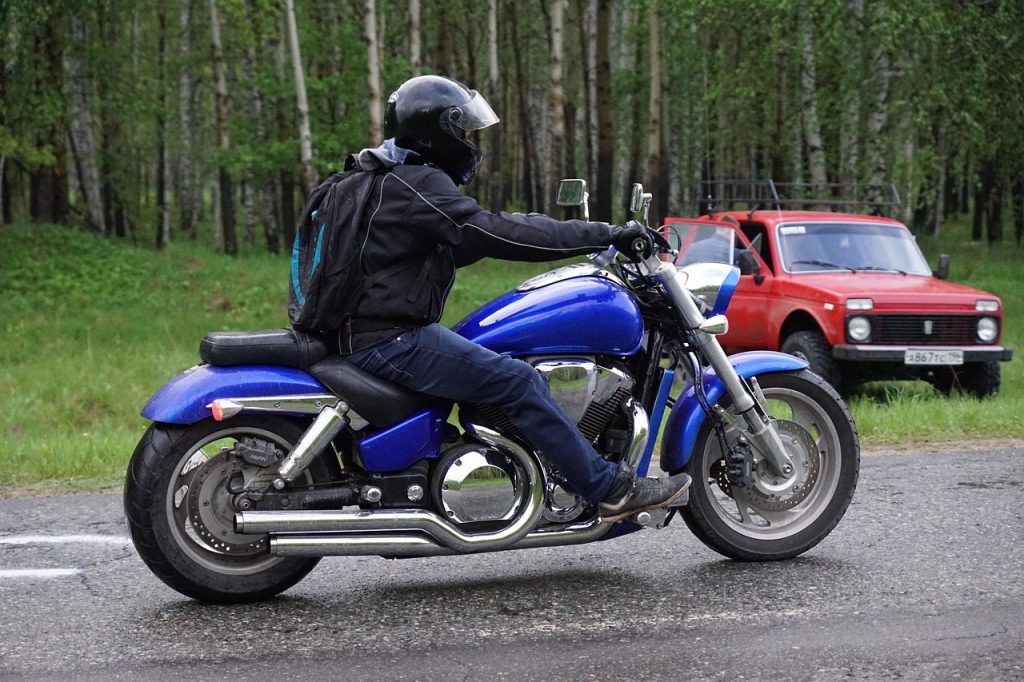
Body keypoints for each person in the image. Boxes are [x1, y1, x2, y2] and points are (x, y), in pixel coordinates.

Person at [329, 75, 690, 521]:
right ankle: (609, 488)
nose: (468, 143)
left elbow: (461, 241)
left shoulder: (376, 180)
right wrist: (606, 234)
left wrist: (535, 234)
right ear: (438, 132)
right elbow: (491, 230)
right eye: (463, 132)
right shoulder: (415, 184)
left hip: (361, 334)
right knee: (518, 381)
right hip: (388, 339)